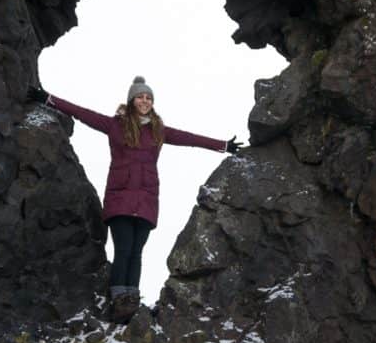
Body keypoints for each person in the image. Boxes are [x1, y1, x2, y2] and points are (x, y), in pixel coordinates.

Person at [27, 76, 240, 323]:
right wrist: (48, 99)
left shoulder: (158, 131)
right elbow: (81, 113)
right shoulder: (115, 125)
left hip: (147, 200)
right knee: (124, 249)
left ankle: (132, 300)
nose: (145, 101)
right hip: (121, 197)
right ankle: (119, 299)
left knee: (137, 252)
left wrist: (223, 145)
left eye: (149, 98)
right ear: (131, 100)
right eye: (140, 97)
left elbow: (188, 138)